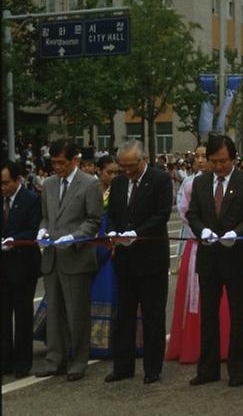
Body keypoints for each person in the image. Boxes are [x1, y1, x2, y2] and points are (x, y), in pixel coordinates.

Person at [187, 135, 243, 388]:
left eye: (223, 161)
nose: (218, 166)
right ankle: (208, 368)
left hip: (237, 258)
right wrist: (202, 231)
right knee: (208, 316)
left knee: (238, 315)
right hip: (209, 258)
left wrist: (238, 232)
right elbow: (193, 213)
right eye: (213, 161)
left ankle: (238, 369)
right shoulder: (200, 183)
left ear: (233, 159)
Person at [35, 138, 104, 381]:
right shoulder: (50, 184)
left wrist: (74, 237)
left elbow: (94, 221)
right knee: (53, 313)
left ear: (75, 160)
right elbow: (45, 216)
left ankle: (78, 360)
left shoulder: (90, 184)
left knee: (77, 314)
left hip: (76, 258)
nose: (57, 167)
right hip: (53, 257)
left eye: (61, 162)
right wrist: (42, 231)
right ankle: (55, 359)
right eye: (53, 163)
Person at [104, 141, 172, 384]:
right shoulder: (119, 182)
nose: (127, 171)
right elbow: (112, 213)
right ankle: (123, 366)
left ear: (143, 160)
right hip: (124, 259)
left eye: (131, 166)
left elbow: (162, 214)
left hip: (151, 257)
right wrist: (113, 232)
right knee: (124, 315)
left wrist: (137, 232)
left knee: (153, 315)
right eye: (123, 166)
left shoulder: (160, 180)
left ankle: (153, 368)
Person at [1, 160, 42, 378]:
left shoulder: (32, 200)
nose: (3, 187)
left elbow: (33, 230)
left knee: (23, 314)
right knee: (3, 315)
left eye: (6, 183)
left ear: (17, 180)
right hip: (3, 267)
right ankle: (5, 359)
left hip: (24, 265)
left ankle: (23, 361)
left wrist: (13, 240)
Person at [88, 155, 120, 358]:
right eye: (109, 172)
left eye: (117, 172)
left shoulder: (118, 190)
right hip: (90, 244)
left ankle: (110, 340)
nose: (114, 176)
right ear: (99, 171)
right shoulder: (90, 190)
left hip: (110, 246)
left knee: (109, 290)